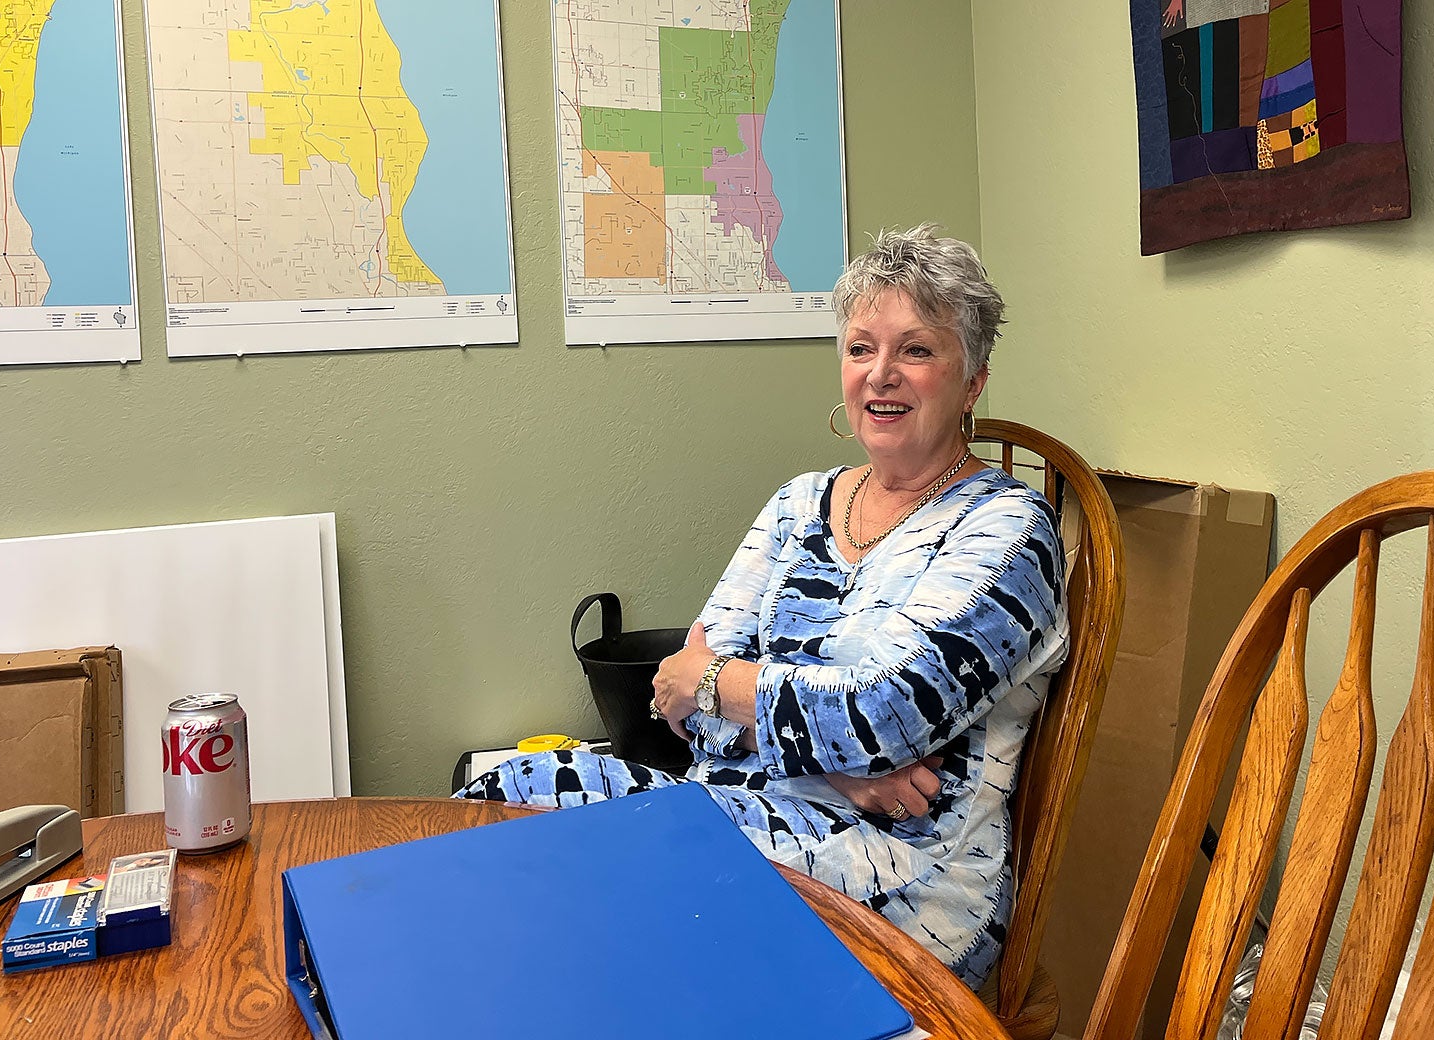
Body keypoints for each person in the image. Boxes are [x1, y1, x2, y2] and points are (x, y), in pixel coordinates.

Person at [458, 224, 1069, 989]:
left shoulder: (1009, 529)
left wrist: (736, 691)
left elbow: (881, 711)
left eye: (916, 350)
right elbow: (680, 701)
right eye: (859, 348)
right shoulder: (798, 504)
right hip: (735, 811)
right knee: (502, 795)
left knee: (579, 915)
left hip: (898, 879)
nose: (880, 375)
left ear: (972, 379)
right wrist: (840, 762)